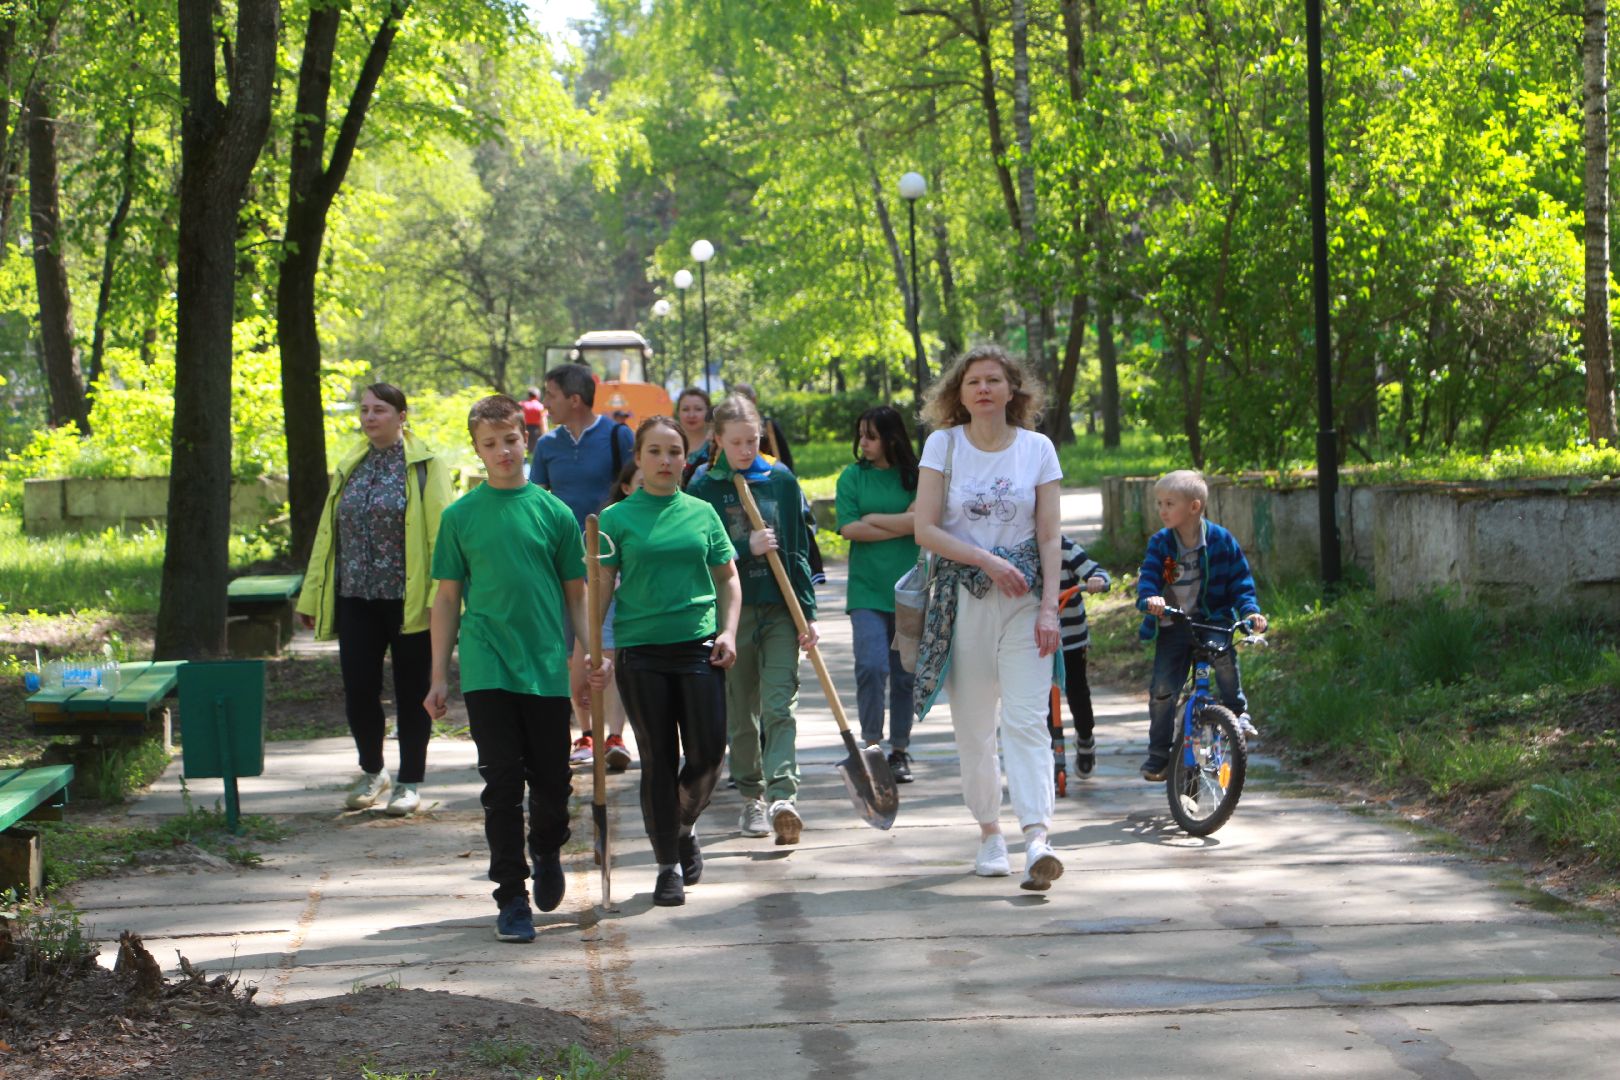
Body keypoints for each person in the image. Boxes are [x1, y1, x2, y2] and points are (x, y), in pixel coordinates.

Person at [424, 394, 607, 943]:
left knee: (552, 780)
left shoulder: (553, 513)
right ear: (477, 451)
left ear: (524, 439)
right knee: (501, 784)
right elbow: (447, 599)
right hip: (487, 667)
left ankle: (548, 846)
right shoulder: (460, 517)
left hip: (546, 666)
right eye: (490, 444)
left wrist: (589, 650)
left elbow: (576, 595)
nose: (502, 451)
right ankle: (511, 896)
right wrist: (438, 675)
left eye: (510, 439)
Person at [912, 344, 1065, 892]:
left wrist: (1051, 606)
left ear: (1012, 391)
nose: (983, 389)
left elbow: (1049, 534)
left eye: (994, 380)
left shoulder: (1038, 449)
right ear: (958, 393)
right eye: (973, 381)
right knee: (975, 729)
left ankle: (1037, 840)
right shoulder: (943, 445)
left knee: (1027, 722)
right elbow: (925, 529)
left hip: (1026, 602)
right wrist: (987, 560)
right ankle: (989, 834)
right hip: (964, 601)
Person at [599, 416, 741, 906]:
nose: (665, 461)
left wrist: (729, 630)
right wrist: (593, 647)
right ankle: (666, 865)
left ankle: (682, 823)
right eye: (655, 452)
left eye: (675, 452)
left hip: (698, 646)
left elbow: (727, 579)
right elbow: (599, 588)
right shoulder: (614, 519)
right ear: (638, 459)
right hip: (641, 653)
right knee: (657, 759)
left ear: (687, 458)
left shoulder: (702, 513)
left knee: (708, 753)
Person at [296, 383, 452, 818]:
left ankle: (410, 781)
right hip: (356, 597)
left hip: (409, 600)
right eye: (364, 410)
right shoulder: (353, 464)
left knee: (412, 691)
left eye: (379, 410)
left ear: (402, 415)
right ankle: (372, 771)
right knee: (359, 687)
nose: (369, 418)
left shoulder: (426, 466)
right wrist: (313, 595)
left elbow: (441, 534)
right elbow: (329, 537)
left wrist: (441, 597)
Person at [690, 396, 819, 845]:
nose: (747, 450)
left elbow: (800, 550)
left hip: (780, 608)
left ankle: (784, 795)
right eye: (738, 442)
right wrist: (747, 548)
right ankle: (753, 797)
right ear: (718, 440)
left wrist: (808, 612)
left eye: (754, 440)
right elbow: (699, 557)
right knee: (742, 710)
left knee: (779, 704)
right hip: (734, 614)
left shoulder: (779, 480)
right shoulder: (705, 487)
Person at [528, 363, 636, 768]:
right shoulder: (547, 445)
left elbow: (632, 489)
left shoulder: (617, 436)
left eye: (551, 395)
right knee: (573, 653)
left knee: (606, 648)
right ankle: (585, 734)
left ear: (574, 399)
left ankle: (615, 736)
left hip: (609, 561)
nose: (546, 402)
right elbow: (536, 499)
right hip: (562, 563)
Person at [1134, 470, 1267, 781]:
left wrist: (1251, 613)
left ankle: (1237, 713)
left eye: (1169, 503)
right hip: (1174, 622)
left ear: (1194, 507)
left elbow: (1241, 583)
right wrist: (1150, 598)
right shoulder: (1161, 544)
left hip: (1213, 618)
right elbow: (1151, 577)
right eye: (1159, 504)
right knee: (1163, 690)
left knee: (1223, 656)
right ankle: (1159, 756)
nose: (1162, 510)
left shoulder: (1221, 541)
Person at [834, 406, 920, 783]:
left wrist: (876, 521)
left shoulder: (915, 477)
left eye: (872, 436)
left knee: (904, 674)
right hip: (866, 590)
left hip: (910, 591)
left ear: (892, 438)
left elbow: (923, 522)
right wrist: (902, 525)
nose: (864, 443)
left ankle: (900, 749)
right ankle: (871, 746)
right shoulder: (852, 477)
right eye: (861, 435)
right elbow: (850, 529)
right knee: (871, 666)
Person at [1048, 536, 1111, 794]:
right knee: (1040, 698)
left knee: (1077, 690)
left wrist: (1097, 580)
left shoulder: (1064, 548)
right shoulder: (1019, 545)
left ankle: (1085, 739)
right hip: (1036, 638)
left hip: (1071, 637)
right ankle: (1050, 747)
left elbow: (1096, 571)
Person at [676, 387, 714, 488]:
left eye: (698, 409)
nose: (691, 415)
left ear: (708, 412)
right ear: (678, 412)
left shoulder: (717, 445)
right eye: (685, 409)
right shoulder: (668, 444)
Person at [521, 387, 546, 453]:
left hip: (523, 430)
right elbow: (543, 422)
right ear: (537, 396)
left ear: (528, 395)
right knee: (535, 452)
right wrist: (545, 435)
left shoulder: (521, 405)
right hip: (536, 432)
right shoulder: (540, 406)